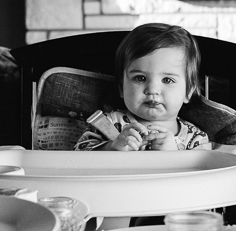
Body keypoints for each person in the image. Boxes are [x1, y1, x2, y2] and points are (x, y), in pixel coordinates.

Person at [74, 23, 211, 151]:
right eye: (140, 78)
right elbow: (77, 155)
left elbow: (207, 174)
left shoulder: (196, 139)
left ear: (188, 91)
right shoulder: (108, 124)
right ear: (122, 87)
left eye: (167, 80)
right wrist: (112, 147)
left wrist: (174, 156)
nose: (152, 90)